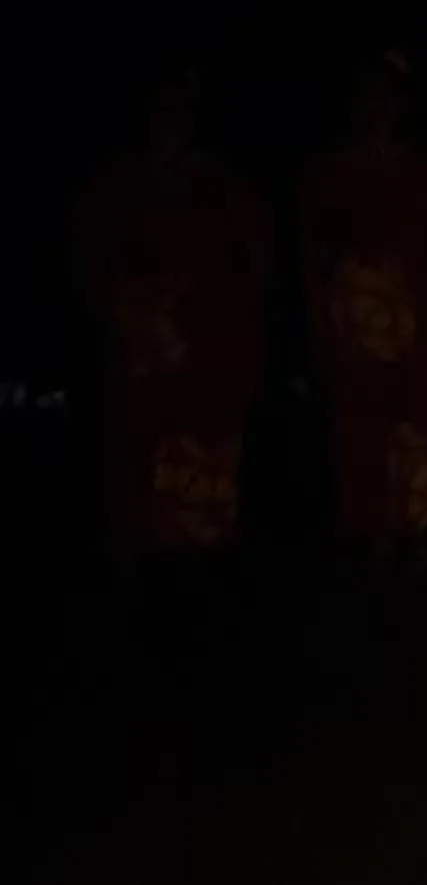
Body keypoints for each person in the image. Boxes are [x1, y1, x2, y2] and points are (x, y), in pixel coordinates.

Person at [75, 76, 271, 558]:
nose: (170, 122)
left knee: (201, 449)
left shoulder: (225, 189)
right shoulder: (118, 187)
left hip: (208, 349)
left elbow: (257, 268)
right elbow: (90, 263)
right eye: (161, 110)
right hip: (143, 352)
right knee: (139, 450)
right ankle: (140, 551)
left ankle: (201, 554)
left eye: (180, 111)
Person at [298, 52, 427, 567]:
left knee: (418, 423)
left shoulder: (426, 171)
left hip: (416, 319)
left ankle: (419, 529)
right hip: (356, 321)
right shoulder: (331, 172)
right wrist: (322, 320)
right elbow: (313, 251)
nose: (378, 109)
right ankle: (372, 530)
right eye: (368, 98)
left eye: (387, 99)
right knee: (362, 426)